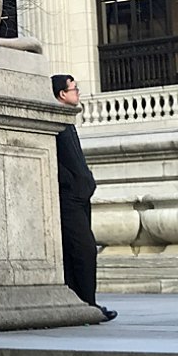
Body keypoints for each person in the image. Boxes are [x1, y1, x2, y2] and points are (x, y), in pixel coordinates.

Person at [51, 74, 117, 322]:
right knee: (84, 250)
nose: (77, 93)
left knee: (77, 251)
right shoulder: (56, 123)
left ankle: (85, 303)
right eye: (73, 89)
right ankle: (88, 304)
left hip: (79, 197)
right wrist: (74, 183)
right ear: (61, 95)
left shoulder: (67, 122)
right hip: (70, 199)